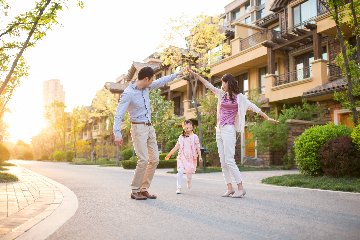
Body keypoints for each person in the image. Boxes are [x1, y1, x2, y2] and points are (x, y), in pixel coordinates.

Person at [188, 68, 277, 198]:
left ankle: (240, 188)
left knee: (229, 160)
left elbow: (254, 107)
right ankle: (229, 188)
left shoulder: (239, 98)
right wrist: (196, 75)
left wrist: (267, 117)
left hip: (229, 129)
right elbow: (208, 85)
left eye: (223, 83)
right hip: (219, 129)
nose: (221, 85)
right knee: (223, 162)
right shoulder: (221, 94)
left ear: (228, 83)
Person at [113, 67, 183, 200]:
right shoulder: (128, 93)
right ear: (146, 79)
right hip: (138, 128)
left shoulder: (146, 88)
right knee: (143, 160)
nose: (152, 82)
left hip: (150, 128)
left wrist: (176, 74)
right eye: (151, 80)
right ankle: (135, 190)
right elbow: (119, 114)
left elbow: (162, 81)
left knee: (155, 159)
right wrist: (117, 133)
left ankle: (144, 189)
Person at [165, 120, 202, 194]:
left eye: (188, 128)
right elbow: (176, 147)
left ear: (192, 127)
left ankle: (188, 181)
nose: (187, 130)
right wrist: (169, 155)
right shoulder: (181, 137)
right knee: (180, 171)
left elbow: (198, 148)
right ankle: (178, 188)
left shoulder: (195, 137)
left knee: (189, 174)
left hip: (191, 157)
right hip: (182, 156)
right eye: (185, 128)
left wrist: (200, 157)